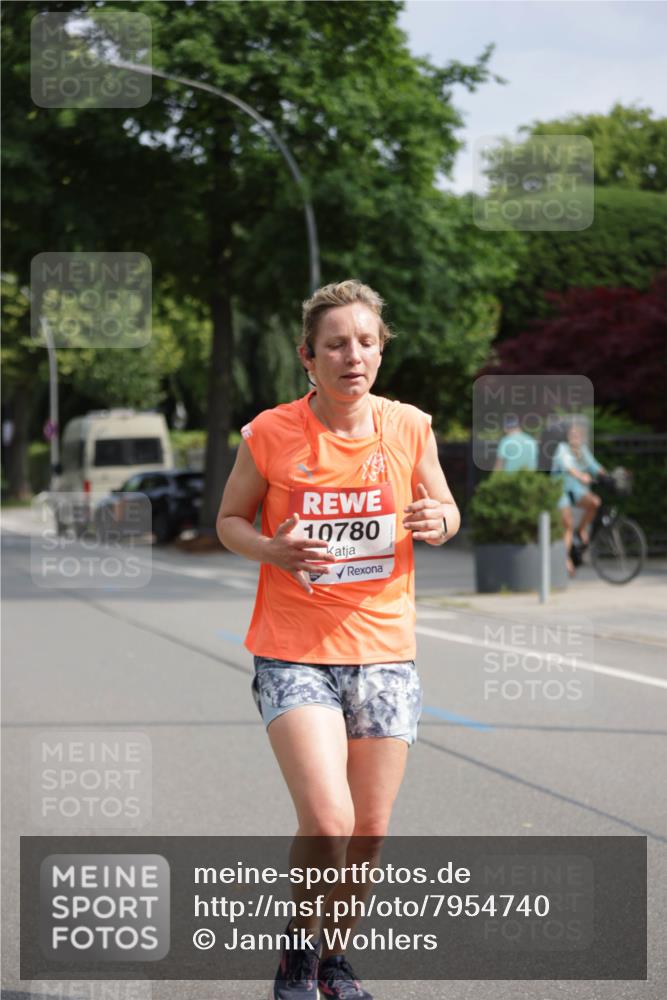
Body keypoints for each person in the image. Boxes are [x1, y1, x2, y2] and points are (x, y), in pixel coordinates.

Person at [217, 280, 460, 1000]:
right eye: (335, 344)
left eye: (364, 341)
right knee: (328, 819)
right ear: (308, 357)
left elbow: (442, 504)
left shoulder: (409, 425)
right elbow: (230, 519)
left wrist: (437, 522)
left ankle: (333, 959)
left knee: (369, 832)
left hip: (384, 648)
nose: (351, 355)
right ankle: (296, 950)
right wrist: (272, 549)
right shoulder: (270, 433)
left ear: (379, 350)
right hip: (293, 648)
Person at [551, 421, 606, 575]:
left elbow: (595, 466)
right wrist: (581, 476)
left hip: (575, 488)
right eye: (572, 434)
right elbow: (569, 468)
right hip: (559, 488)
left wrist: (609, 476)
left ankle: (581, 530)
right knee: (567, 523)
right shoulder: (562, 449)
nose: (575, 437)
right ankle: (566, 559)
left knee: (595, 502)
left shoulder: (582, 450)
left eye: (577, 434)